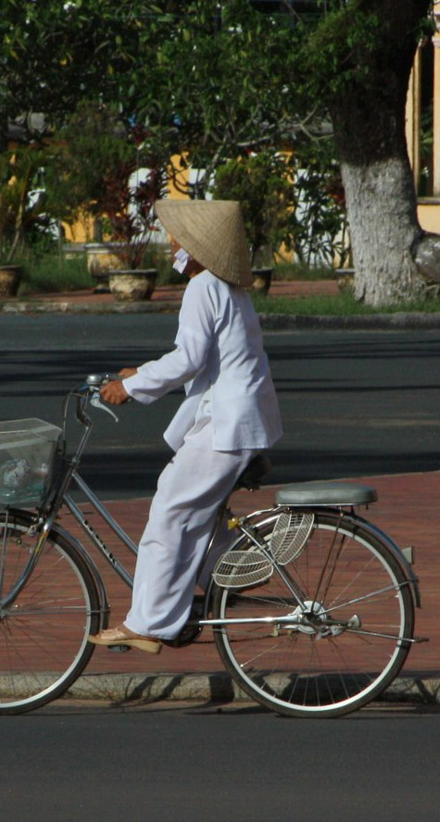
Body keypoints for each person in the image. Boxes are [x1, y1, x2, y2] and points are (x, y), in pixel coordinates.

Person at [89, 199, 282, 654]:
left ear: (197, 246)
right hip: (239, 420)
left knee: (170, 513)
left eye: (178, 238)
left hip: (227, 426)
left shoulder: (202, 288)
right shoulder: (228, 287)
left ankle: (149, 624)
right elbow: (209, 357)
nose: (172, 244)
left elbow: (189, 358)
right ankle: (230, 570)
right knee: (191, 515)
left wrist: (130, 389)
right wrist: (142, 374)